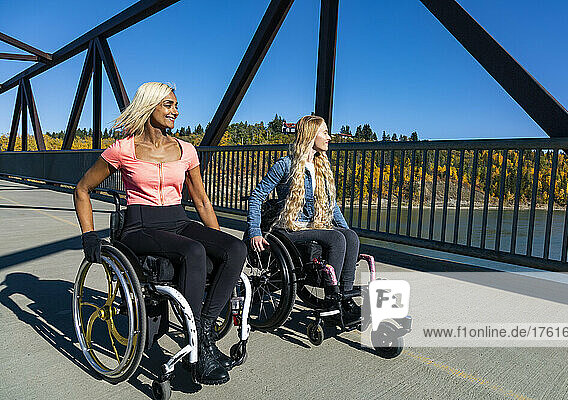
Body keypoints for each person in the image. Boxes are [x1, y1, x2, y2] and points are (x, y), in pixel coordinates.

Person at [73, 82, 245, 385]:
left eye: (176, 105)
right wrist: (89, 236)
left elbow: (202, 201)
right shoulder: (123, 149)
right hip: (140, 226)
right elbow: (82, 189)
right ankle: (202, 350)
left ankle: (203, 332)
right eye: (168, 105)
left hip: (177, 219)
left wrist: (218, 242)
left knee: (235, 249)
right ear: (149, 106)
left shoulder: (186, 150)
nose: (175, 111)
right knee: (193, 252)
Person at [247, 115, 360, 320]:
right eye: (325, 133)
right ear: (311, 135)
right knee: (335, 239)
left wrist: (346, 230)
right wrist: (254, 232)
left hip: (313, 225)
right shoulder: (285, 164)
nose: (329, 138)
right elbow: (256, 196)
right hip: (290, 229)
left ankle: (345, 297)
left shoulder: (320, 165)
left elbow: (331, 205)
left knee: (349, 237)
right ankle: (332, 298)